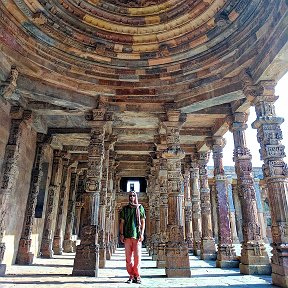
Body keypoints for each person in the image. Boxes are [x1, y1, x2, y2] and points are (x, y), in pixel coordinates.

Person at [119, 191, 146, 284]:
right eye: (130, 196)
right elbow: (122, 222)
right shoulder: (125, 209)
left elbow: (143, 222)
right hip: (127, 236)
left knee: (137, 257)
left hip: (137, 236)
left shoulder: (140, 208)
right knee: (128, 258)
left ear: (136, 197)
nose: (132, 197)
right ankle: (131, 275)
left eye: (134, 196)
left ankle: (137, 275)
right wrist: (121, 234)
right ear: (128, 197)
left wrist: (142, 234)